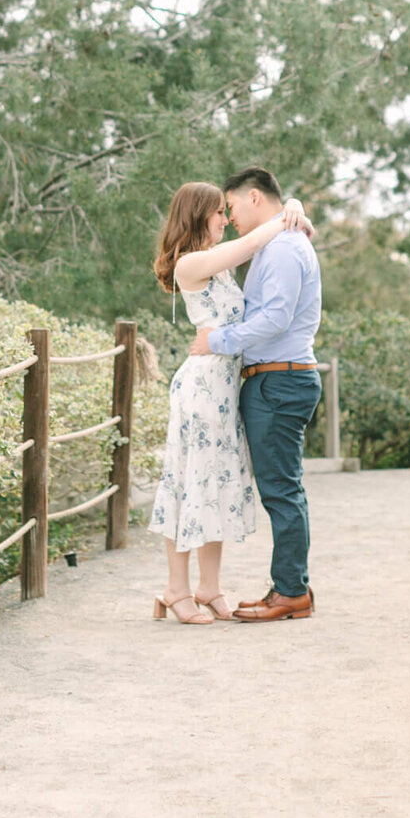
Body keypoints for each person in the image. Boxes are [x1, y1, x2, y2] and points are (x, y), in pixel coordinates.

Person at [149, 181, 313, 625]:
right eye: (218, 212)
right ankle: (176, 589)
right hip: (202, 388)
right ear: (199, 215)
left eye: (227, 210)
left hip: (225, 388)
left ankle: (209, 587)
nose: (226, 217)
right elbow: (254, 240)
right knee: (188, 484)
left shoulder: (219, 268)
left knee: (214, 485)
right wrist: (290, 210)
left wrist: (291, 207)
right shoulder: (194, 263)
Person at [188, 166, 322, 623]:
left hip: (280, 382)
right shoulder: (277, 240)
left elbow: (277, 318)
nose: (230, 215)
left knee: (282, 491)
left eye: (232, 206)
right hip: (273, 379)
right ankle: (289, 587)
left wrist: (217, 341)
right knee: (283, 490)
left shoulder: (284, 247)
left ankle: (291, 592)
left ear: (254, 198)